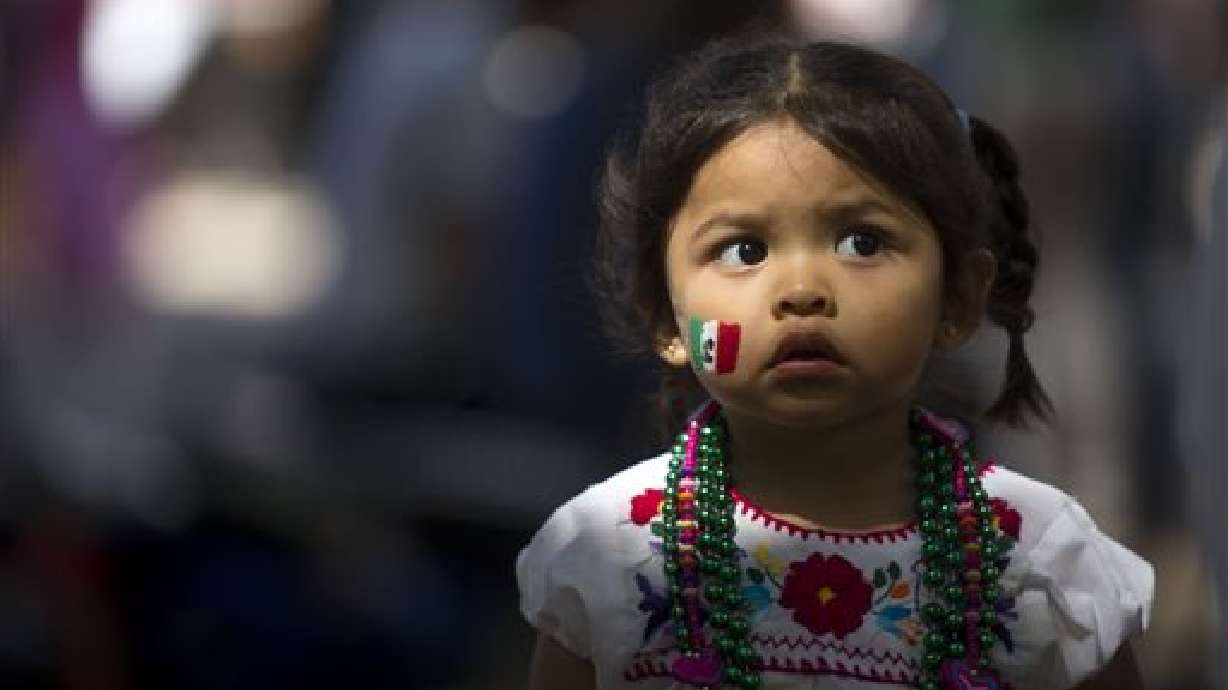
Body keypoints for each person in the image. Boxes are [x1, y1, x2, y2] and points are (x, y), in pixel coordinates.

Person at [516, 33, 1153, 690]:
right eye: (743, 250)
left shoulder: (1039, 563)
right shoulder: (606, 556)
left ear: (959, 299)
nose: (802, 290)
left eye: (861, 241)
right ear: (665, 318)